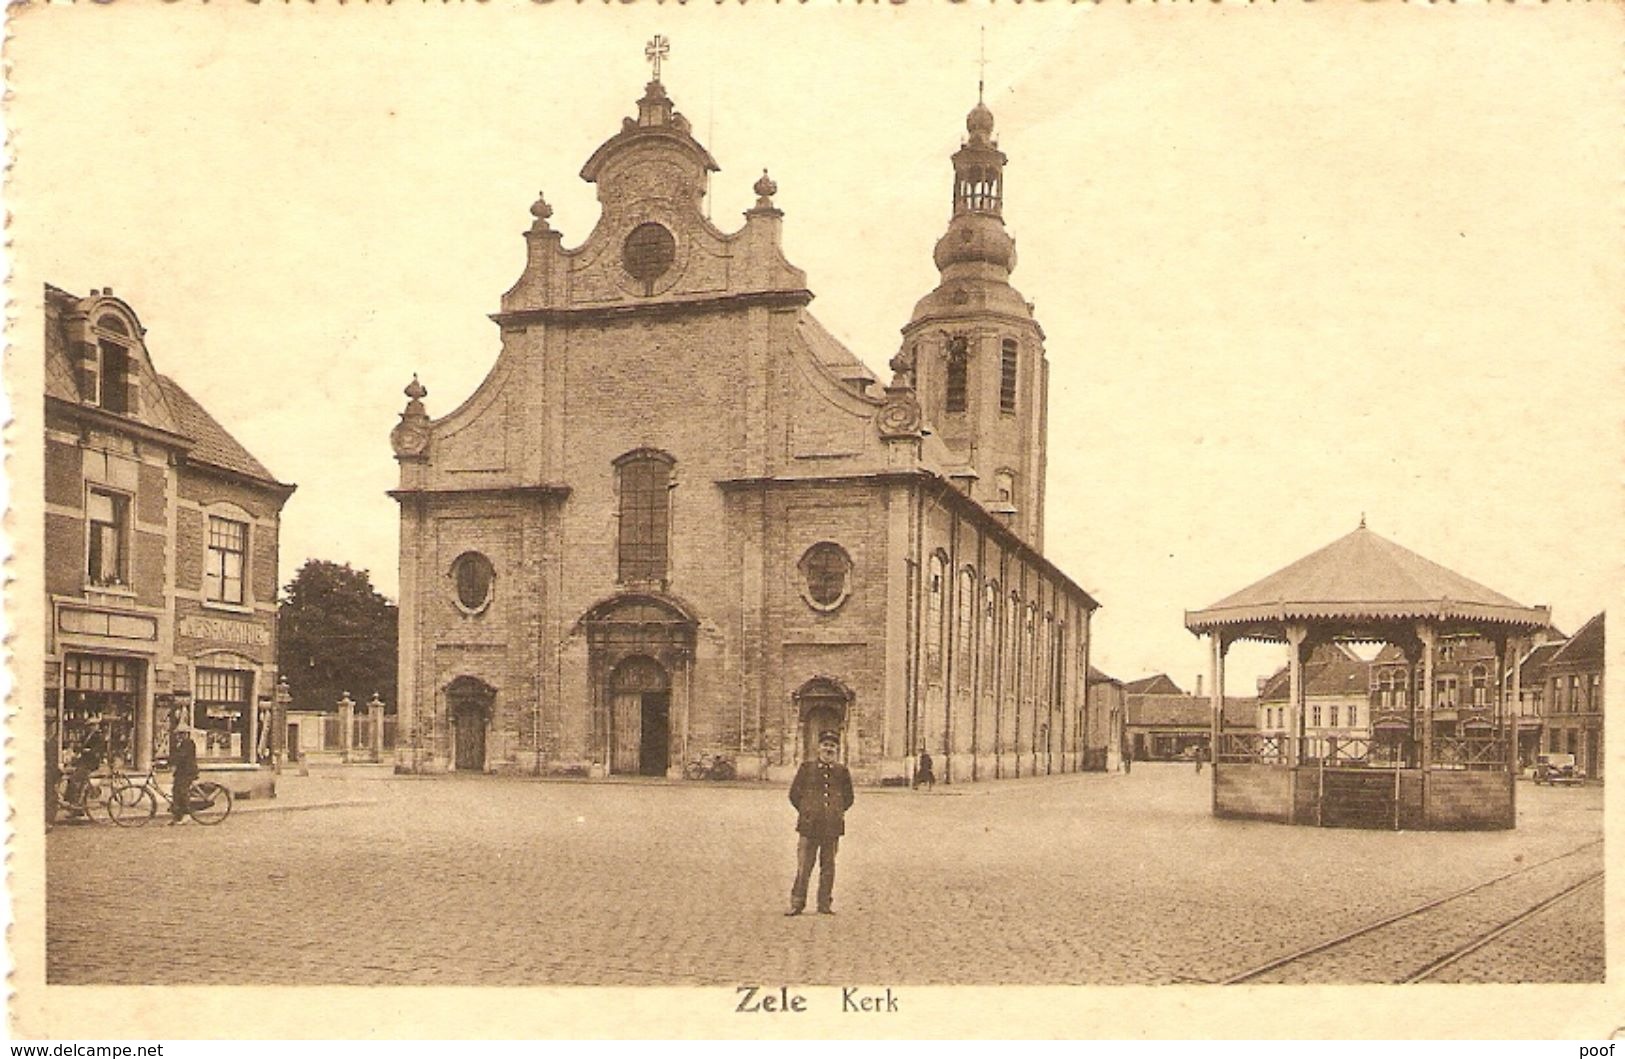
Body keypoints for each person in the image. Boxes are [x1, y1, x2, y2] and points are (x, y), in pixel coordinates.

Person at [787, 730, 854, 916]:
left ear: (837, 749)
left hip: (831, 827)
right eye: (825, 745)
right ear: (819, 748)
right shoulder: (807, 768)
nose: (828, 749)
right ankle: (797, 903)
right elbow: (794, 794)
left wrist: (835, 812)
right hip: (809, 826)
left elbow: (848, 798)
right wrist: (807, 811)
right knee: (804, 866)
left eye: (832, 746)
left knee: (828, 867)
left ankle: (824, 904)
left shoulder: (842, 771)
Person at [64, 728, 105, 814]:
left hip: (90, 763)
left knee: (74, 779)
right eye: (89, 725)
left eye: (92, 725)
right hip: (83, 761)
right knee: (74, 779)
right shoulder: (86, 735)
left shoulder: (98, 737)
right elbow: (80, 746)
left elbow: (98, 750)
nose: (91, 727)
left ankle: (76, 805)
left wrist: (88, 751)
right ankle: (74, 804)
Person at [170, 724, 200, 825]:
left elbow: (182, 756)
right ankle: (177, 816)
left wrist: (171, 761)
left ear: (186, 734)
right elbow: (176, 755)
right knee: (175, 791)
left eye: (181, 734)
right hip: (181, 771)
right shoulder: (180, 743)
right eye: (178, 734)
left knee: (183, 791)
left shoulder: (189, 743)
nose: (179, 736)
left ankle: (187, 814)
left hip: (188, 771)